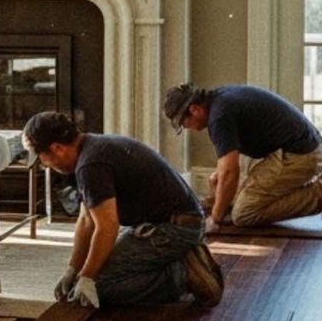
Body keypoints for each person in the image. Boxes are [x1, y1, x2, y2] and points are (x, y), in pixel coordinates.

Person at [20, 111, 224, 309]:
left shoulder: (91, 164)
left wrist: (89, 277)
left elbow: (107, 226)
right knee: (85, 279)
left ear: (56, 148)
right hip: (165, 222)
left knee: (100, 288)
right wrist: (73, 271)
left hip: (173, 228)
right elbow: (87, 220)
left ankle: (182, 274)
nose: (45, 166)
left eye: (42, 159)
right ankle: (177, 260)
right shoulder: (90, 150)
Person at [161, 82, 322, 231]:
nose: (188, 128)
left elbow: (230, 172)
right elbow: (227, 168)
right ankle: (227, 207)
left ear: (194, 109)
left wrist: (216, 219)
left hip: (300, 155)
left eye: (184, 123)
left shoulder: (219, 117)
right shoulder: (220, 100)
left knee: (243, 214)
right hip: (291, 149)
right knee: (219, 185)